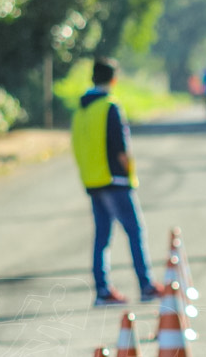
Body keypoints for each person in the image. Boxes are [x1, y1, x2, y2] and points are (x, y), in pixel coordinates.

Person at [70, 57, 163, 306]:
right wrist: (130, 170)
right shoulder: (110, 106)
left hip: (93, 181)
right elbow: (121, 147)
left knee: (102, 237)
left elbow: (76, 145)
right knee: (135, 231)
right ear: (114, 79)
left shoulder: (81, 109)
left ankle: (102, 290)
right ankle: (146, 285)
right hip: (116, 179)